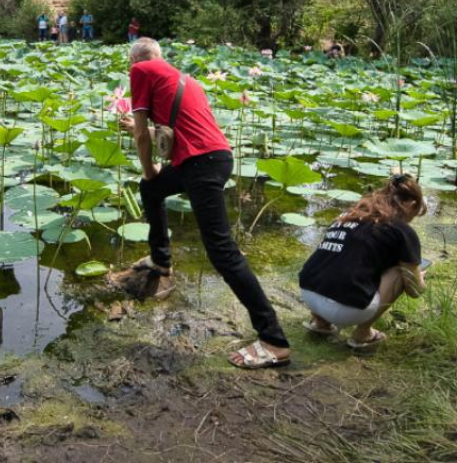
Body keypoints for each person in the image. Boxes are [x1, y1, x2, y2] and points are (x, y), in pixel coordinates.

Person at [119, 38, 290, 369]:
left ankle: (274, 339)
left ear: (137, 62)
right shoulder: (185, 80)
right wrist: (151, 167)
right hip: (209, 158)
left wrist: (150, 166)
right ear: (161, 58)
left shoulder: (140, 69)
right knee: (151, 190)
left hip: (201, 164)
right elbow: (180, 135)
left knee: (221, 250)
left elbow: (143, 136)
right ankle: (161, 261)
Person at [299, 174, 427, 349]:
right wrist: (418, 277)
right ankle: (363, 333)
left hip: (307, 293)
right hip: (346, 310)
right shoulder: (401, 230)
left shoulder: (347, 216)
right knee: (399, 272)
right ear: (411, 204)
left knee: (336, 256)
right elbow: (415, 291)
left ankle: (320, 322)